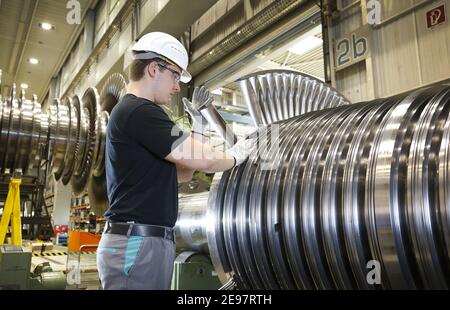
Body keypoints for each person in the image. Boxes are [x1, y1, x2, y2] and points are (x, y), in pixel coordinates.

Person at [96, 32, 255, 290]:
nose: (177, 87)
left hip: (147, 243)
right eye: (175, 75)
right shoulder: (139, 111)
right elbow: (202, 160)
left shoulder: (144, 114)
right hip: (137, 243)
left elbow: (184, 172)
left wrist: (200, 126)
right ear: (153, 69)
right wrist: (236, 156)